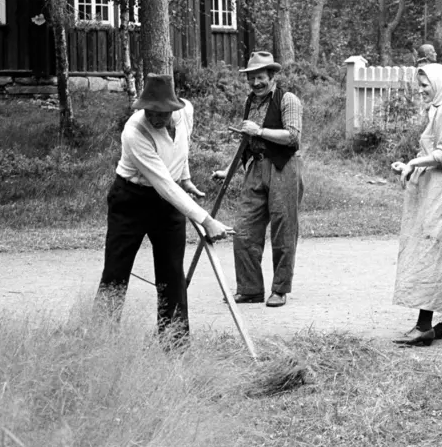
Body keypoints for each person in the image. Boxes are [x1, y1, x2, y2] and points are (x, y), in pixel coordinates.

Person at [97, 74, 235, 342]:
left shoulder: (186, 112)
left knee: (172, 272)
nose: (155, 118)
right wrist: (207, 221)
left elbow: (182, 150)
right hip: (131, 200)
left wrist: (185, 178)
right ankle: (100, 339)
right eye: (149, 111)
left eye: (161, 113)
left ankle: (175, 342)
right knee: (116, 271)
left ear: (174, 108)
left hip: (169, 202)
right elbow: (163, 184)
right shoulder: (134, 132)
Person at [212, 51, 303, 308]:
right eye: (251, 78)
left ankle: (280, 289)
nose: (255, 83)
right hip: (255, 167)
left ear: (272, 76)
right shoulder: (250, 101)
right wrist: (228, 169)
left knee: (283, 229)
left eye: (260, 77)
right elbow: (246, 140)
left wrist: (260, 130)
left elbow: (293, 137)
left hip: (283, 168)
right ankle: (250, 289)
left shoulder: (288, 99)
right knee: (243, 230)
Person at [391, 63, 442, 346]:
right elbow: (434, 150)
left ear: (439, 83)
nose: (422, 90)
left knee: (432, 250)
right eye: (420, 85)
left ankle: (424, 325)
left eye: (426, 85)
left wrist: (415, 162)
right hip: (440, 187)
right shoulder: (440, 110)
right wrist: (411, 166)